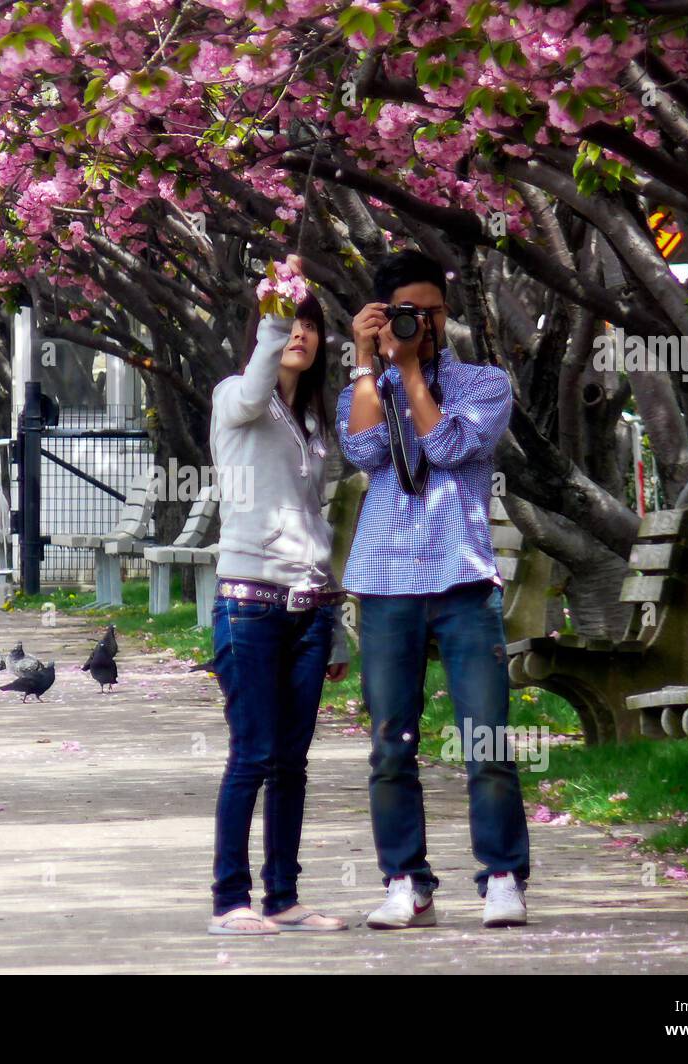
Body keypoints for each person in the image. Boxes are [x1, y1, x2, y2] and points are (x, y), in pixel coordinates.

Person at [336, 249, 531, 929]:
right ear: (383, 314)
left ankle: (502, 876)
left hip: (462, 579)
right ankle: (404, 881)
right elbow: (362, 454)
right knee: (392, 743)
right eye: (408, 312)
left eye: (434, 310)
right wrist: (371, 364)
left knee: (486, 736)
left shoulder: (484, 383)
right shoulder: (367, 387)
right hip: (387, 583)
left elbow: (448, 449)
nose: (425, 322)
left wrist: (413, 372)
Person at [206, 254, 352, 935]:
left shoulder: (315, 426)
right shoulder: (238, 397)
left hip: (308, 610)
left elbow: (316, 526)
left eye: (311, 326)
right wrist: (275, 307)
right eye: (291, 324)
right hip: (248, 603)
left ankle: (284, 898)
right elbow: (256, 381)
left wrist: (337, 619)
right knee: (254, 753)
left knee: (291, 762)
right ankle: (230, 902)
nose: (301, 334)